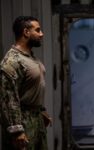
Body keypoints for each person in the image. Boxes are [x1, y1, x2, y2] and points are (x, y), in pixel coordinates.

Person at [0, 16, 52, 150]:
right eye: (38, 30)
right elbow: (8, 99)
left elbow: (31, 88)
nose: (42, 34)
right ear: (26, 32)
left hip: (36, 120)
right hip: (22, 122)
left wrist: (41, 111)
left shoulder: (30, 57)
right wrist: (17, 131)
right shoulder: (12, 61)